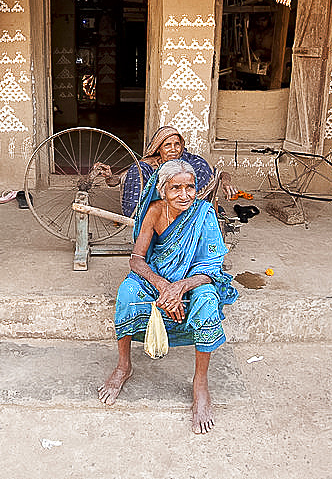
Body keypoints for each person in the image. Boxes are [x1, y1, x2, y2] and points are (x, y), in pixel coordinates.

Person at [98, 159, 239, 434]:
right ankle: (123, 365)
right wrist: (164, 286)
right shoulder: (153, 211)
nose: (184, 194)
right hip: (160, 278)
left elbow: (212, 269)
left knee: (207, 301)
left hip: (193, 280)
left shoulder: (204, 214)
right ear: (163, 190)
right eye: (176, 188)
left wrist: (180, 288)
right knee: (127, 292)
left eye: (190, 187)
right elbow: (137, 260)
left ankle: (200, 384)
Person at [95, 126, 237, 217]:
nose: (173, 149)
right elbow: (117, 180)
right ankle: (138, 215)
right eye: (167, 145)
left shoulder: (193, 162)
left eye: (177, 144)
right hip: (157, 211)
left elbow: (220, 173)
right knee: (136, 169)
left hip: (186, 210)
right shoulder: (149, 164)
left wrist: (226, 183)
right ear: (158, 149)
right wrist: (109, 176)